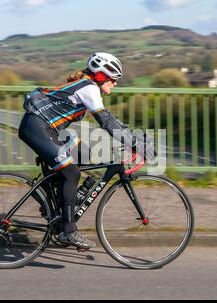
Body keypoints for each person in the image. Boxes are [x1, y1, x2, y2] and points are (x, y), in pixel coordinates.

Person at [18, 52, 152, 249]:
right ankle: (68, 231)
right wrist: (134, 144)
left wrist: (133, 137)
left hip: (45, 128)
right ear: (102, 75)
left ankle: (59, 206)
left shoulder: (87, 85)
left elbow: (111, 119)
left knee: (84, 153)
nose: (115, 84)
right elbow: (106, 121)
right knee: (72, 173)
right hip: (37, 128)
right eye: (114, 80)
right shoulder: (89, 88)